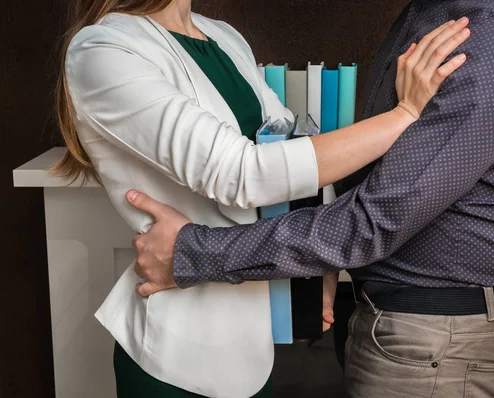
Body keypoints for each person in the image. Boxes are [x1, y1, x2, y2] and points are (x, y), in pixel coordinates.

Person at [127, 0, 494, 397]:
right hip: (401, 325)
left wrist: (192, 252)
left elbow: (377, 220)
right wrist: (330, 261)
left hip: (433, 345)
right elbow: (387, 172)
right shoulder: (436, 10)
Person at [52, 0, 469, 396]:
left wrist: (319, 267)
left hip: (252, 348)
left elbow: (291, 148)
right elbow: (242, 173)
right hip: (176, 354)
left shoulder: (224, 37)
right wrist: (406, 116)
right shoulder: (102, 49)